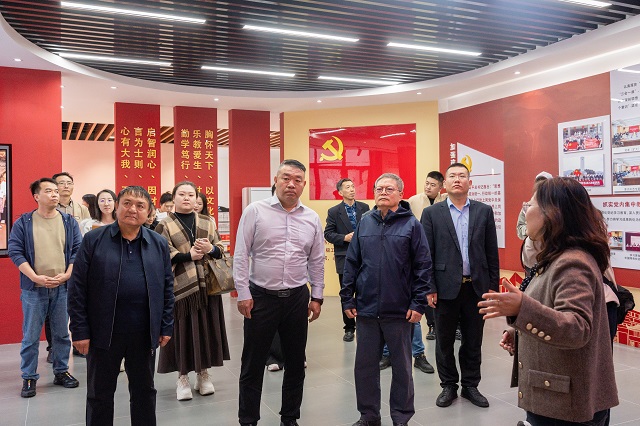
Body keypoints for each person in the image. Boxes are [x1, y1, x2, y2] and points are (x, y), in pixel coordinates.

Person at [479, 177, 619, 426]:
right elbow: (553, 310)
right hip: (559, 397)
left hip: (565, 406)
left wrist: (522, 309)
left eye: (530, 205)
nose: (525, 212)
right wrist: (519, 331)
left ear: (552, 214)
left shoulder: (571, 263)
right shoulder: (557, 256)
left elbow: (576, 328)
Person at [68, 186, 175, 425]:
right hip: (103, 332)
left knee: (144, 392)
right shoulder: (94, 240)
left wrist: (166, 325)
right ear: (117, 206)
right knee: (99, 394)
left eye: (140, 206)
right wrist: (80, 330)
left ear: (149, 212)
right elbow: (77, 288)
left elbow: (167, 287)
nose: (132, 209)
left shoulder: (157, 243)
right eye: (127, 203)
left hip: (143, 333)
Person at [234, 159, 325, 426]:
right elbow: (241, 254)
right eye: (286, 178)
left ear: (304, 184)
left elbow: (316, 260)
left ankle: (289, 418)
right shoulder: (255, 211)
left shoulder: (311, 218)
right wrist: (242, 292)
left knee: (296, 363)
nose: (291, 184)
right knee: (252, 364)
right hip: (261, 298)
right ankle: (248, 419)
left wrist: (317, 296)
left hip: (297, 298)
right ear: (275, 180)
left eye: (297, 180)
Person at [341, 173, 432, 426]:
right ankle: (368, 416)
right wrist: (347, 298)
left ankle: (401, 417)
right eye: (379, 188)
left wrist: (418, 304)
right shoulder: (365, 223)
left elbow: (423, 267)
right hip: (367, 309)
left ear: (400, 194)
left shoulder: (412, 225)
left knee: (402, 368)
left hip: (399, 311)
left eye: (389, 189)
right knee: (365, 368)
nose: (383, 192)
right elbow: (352, 262)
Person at [421, 162, 499, 409]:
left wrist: (493, 287)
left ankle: (470, 385)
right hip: (444, 288)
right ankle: (448, 386)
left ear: (470, 183)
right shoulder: (432, 214)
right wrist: (429, 287)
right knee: (444, 340)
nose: (457, 179)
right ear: (444, 184)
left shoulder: (484, 211)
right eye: (452, 176)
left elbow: (491, 252)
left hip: (476, 288)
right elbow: (426, 254)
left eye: (462, 176)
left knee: (473, 340)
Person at [155, 181, 229, 401]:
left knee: (206, 330)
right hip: (180, 288)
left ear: (197, 198)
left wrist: (211, 248)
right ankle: (182, 378)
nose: (187, 198)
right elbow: (161, 253)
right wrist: (188, 256)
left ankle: (203, 374)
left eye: (191, 194)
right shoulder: (164, 224)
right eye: (182, 194)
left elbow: (221, 249)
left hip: (207, 286)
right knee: (182, 333)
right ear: (174, 198)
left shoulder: (207, 221)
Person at [8, 177, 81, 398]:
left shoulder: (68, 222)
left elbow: (77, 250)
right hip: (33, 288)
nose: (55, 194)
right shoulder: (24, 222)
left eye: (56, 190)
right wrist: (35, 277)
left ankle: (61, 371)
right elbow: (15, 251)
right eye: (49, 191)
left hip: (62, 287)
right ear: (36, 196)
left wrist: (67, 274)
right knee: (31, 336)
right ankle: (29, 376)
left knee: (62, 334)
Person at [324, 178, 370, 342]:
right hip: (345, 257)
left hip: (365, 257)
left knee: (365, 292)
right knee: (347, 293)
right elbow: (328, 234)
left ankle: (365, 325)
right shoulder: (334, 211)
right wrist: (344, 237)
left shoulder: (365, 208)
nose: (352, 189)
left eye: (353, 186)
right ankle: (349, 328)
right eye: (347, 187)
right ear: (340, 192)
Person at [408, 171, 447, 341]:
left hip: (441, 251)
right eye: (427, 183)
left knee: (440, 289)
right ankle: (431, 326)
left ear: (441, 187)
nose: (428, 187)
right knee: (425, 288)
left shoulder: (446, 200)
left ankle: (446, 325)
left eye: (433, 185)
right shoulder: (413, 201)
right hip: (419, 250)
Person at [516, 171, 552, 240]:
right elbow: (519, 230)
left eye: (544, 184)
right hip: (532, 244)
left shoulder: (556, 206)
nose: (541, 187)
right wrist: (530, 229)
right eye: (538, 183)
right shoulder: (527, 206)